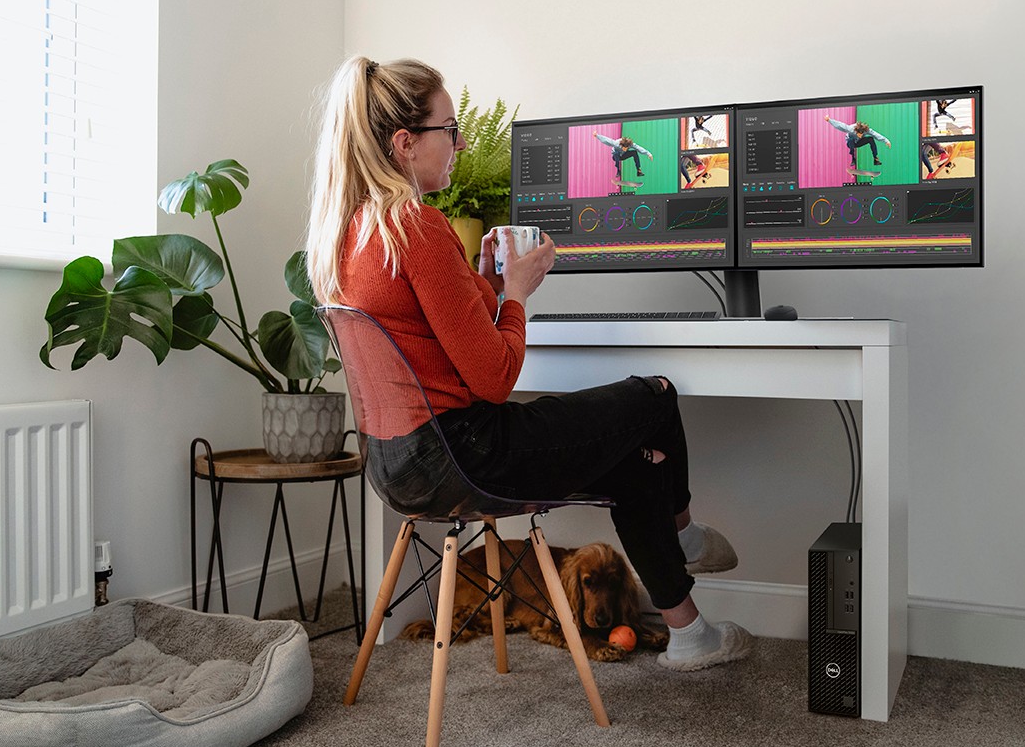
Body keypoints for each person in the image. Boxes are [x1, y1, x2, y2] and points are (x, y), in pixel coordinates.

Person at [305, 56, 751, 672]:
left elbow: (433, 332)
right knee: (654, 396)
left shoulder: (354, 232)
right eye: (449, 131)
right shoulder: (419, 227)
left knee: (630, 459)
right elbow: (492, 378)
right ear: (406, 144)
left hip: (399, 467)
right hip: (467, 454)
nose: (459, 145)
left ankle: (691, 634)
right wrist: (517, 294)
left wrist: (485, 284)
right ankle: (683, 534)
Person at [824, 114, 892, 168]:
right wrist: (829, 120)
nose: (860, 136)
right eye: (859, 134)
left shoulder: (867, 130)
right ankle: (853, 158)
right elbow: (840, 125)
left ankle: (875, 159)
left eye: (861, 134)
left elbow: (875, 134)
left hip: (858, 142)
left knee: (871, 139)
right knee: (850, 140)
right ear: (856, 131)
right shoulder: (850, 129)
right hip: (850, 143)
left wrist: (886, 141)